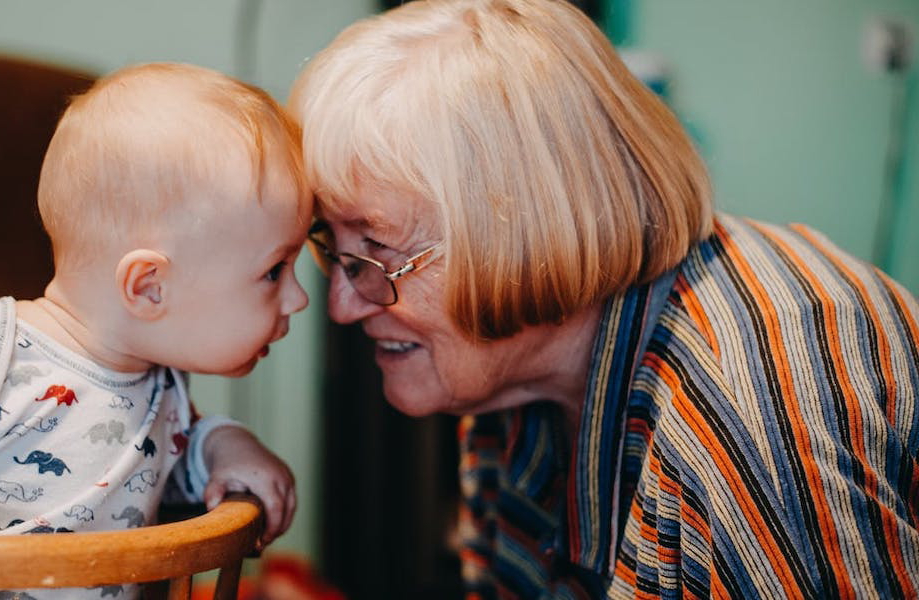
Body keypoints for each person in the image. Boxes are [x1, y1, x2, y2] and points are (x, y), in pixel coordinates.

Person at [289, 0, 919, 597]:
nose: (343, 305)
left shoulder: (750, 416)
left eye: (376, 252)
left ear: (520, 234)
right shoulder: (505, 381)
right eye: (335, 248)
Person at [0, 62, 308, 599]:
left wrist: (223, 447)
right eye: (275, 270)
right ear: (148, 287)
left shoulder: (160, 386)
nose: (299, 298)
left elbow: (158, 473)